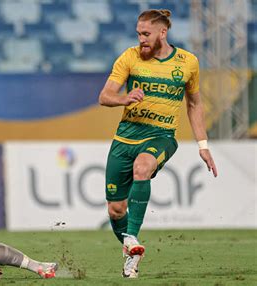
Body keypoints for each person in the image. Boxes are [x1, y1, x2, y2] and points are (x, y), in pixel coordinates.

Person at [98, 9, 218, 278]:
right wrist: (124, 99)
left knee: (143, 167)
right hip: (125, 138)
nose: (141, 38)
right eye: (139, 33)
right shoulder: (129, 57)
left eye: (146, 33)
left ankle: (132, 236)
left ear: (162, 33)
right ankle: (131, 250)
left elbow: (195, 104)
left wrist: (203, 144)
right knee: (116, 209)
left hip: (161, 135)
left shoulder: (188, 62)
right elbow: (105, 96)